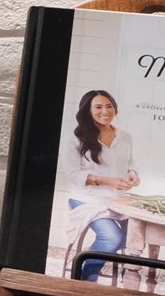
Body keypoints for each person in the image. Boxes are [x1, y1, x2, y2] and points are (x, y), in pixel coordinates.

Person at [57, 88, 139, 283]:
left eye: (109, 106)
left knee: (137, 236)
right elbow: (72, 174)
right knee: (112, 238)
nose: (105, 111)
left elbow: (130, 164)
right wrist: (107, 181)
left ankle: (126, 279)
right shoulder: (75, 137)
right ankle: (85, 280)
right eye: (98, 107)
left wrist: (133, 175)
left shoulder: (125, 136)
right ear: (87, 111)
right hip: (87, 200)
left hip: (118, 201)